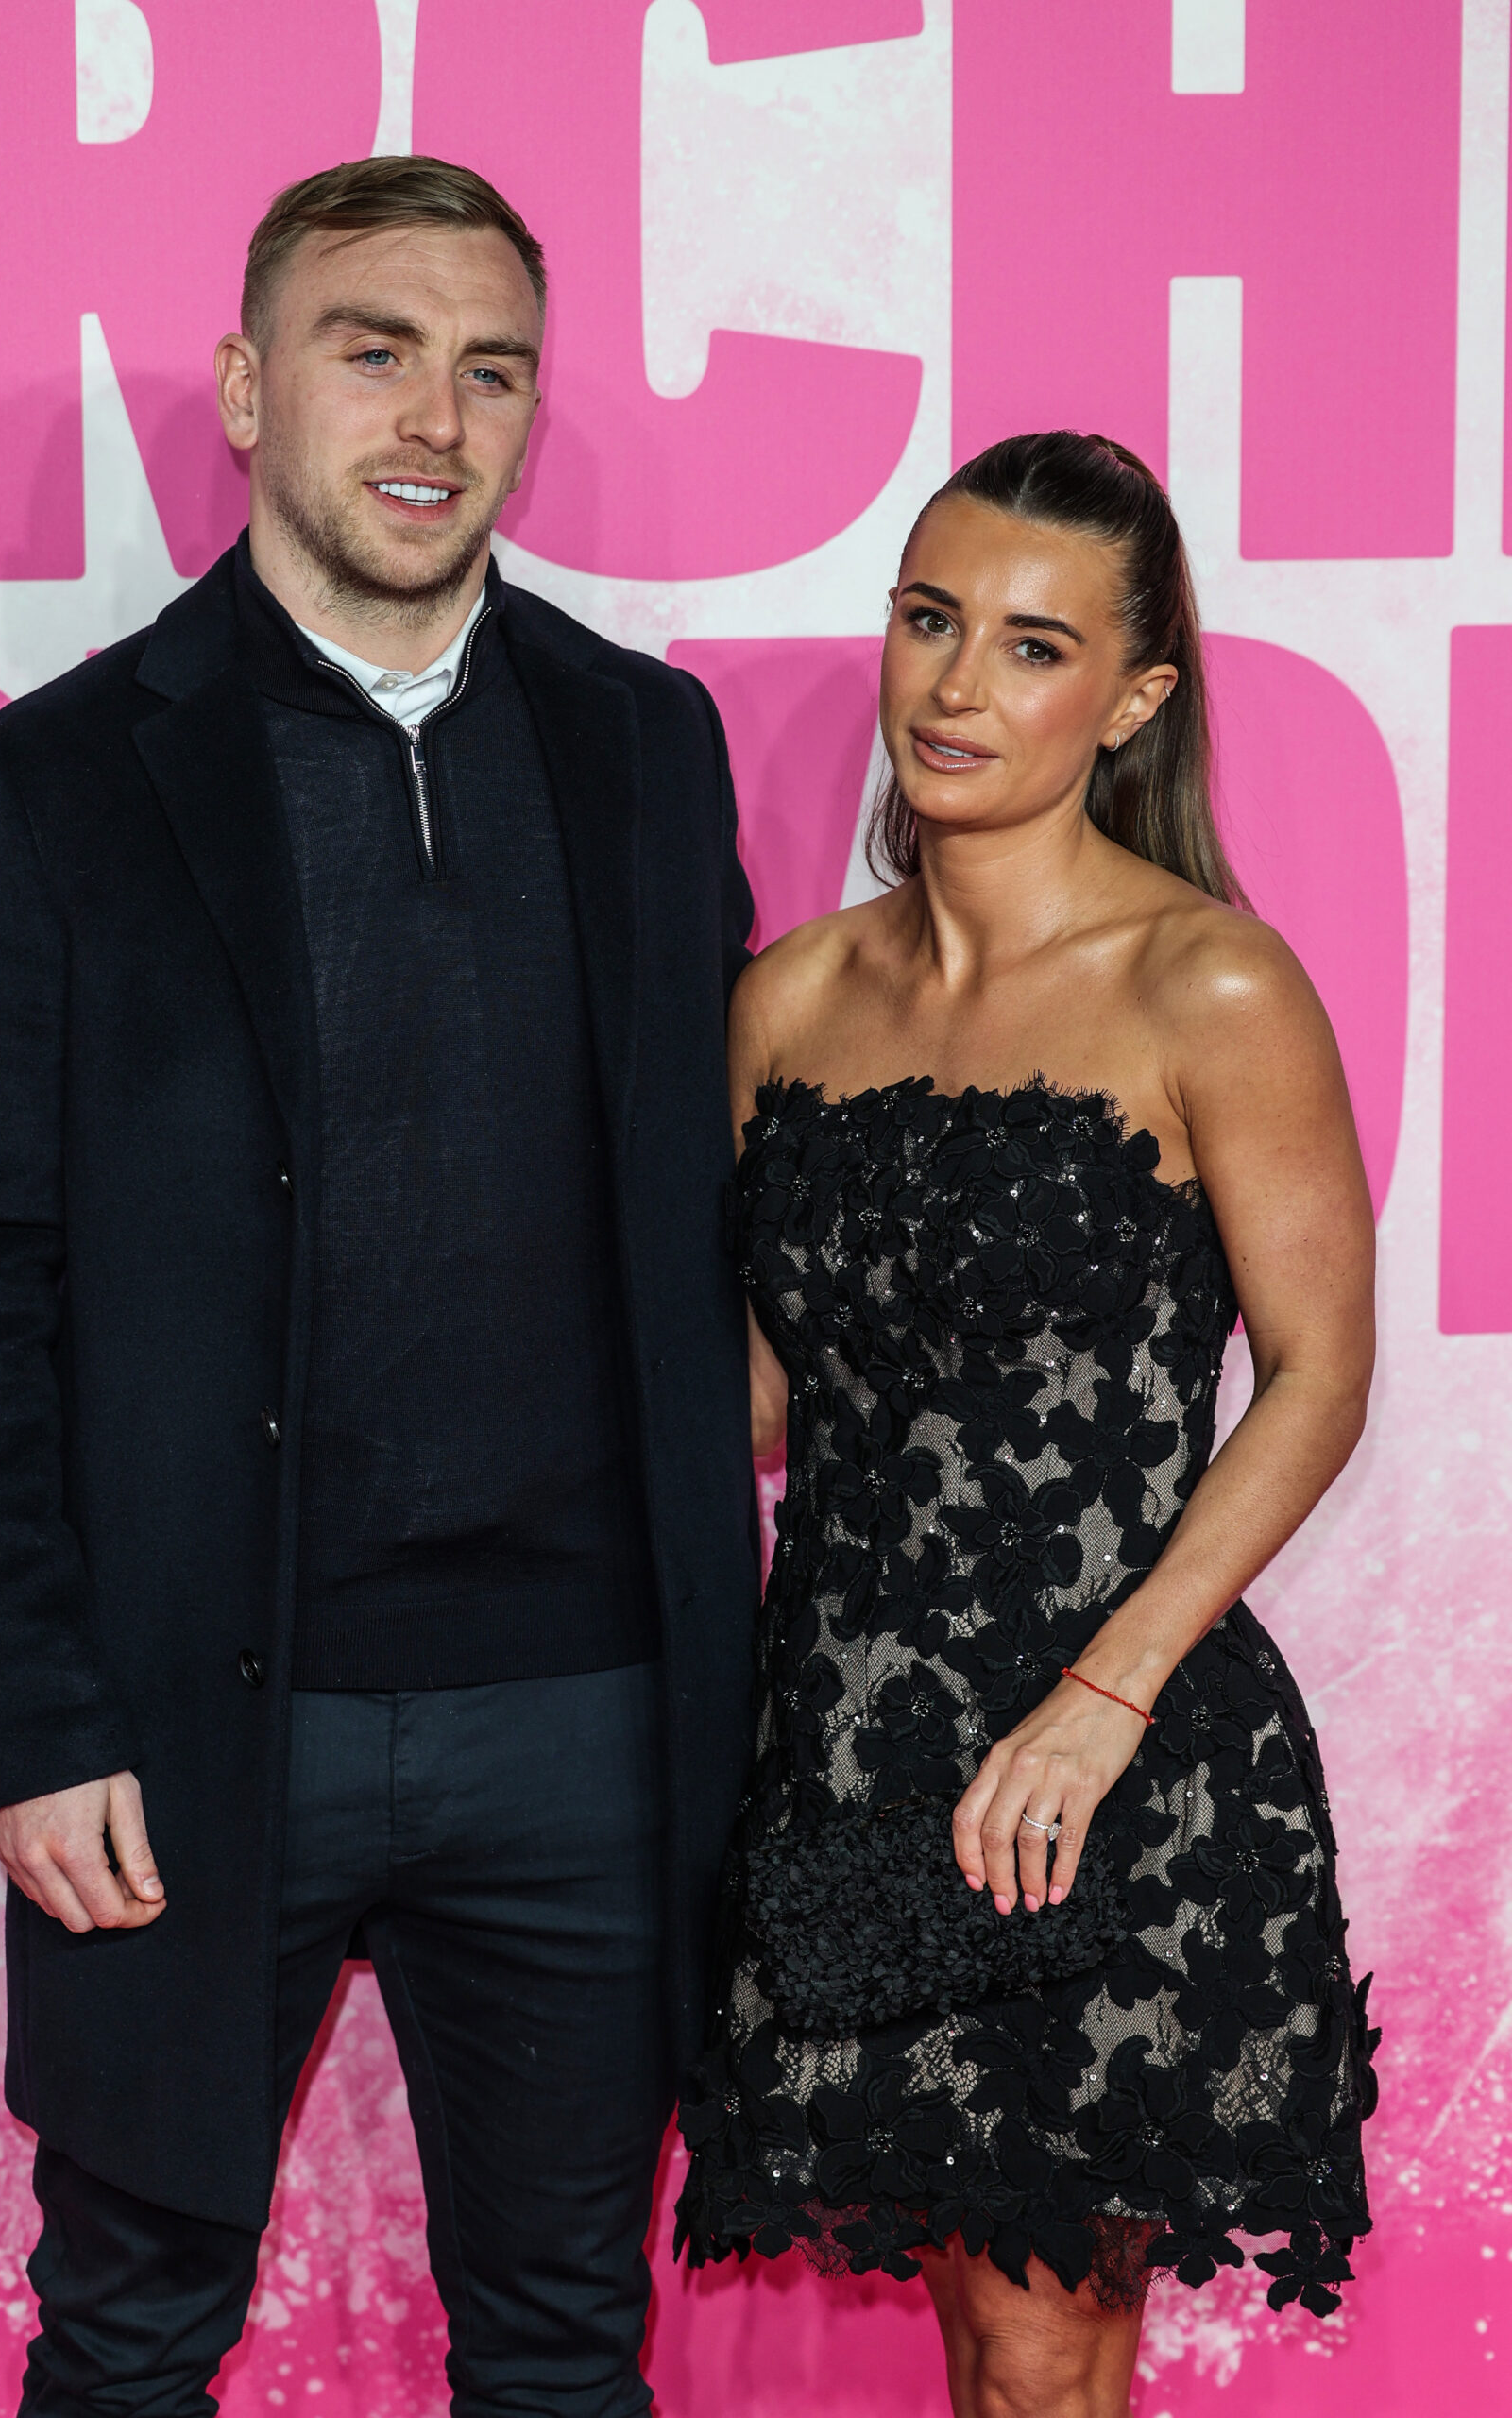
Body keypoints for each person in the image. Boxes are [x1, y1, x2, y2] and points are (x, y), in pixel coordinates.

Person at [0, 155, 759, 2418]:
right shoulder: (53, 786)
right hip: (182, 1718)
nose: (433, 417)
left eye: (490, 367)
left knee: (566, 2341)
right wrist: (35, 1718)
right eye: (375, 350)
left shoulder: (647, 750)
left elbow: (732, 1193)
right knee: (134, 2336)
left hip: (587, 1711)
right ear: (257, 387)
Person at [675, 432, 1378, 2418]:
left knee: (1052, 2345)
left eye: (1033, 644)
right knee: (978, 2325)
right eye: (929, 618)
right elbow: (751, 1399)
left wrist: (1104, 1691)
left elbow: (1321, 1372)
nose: (957, 685)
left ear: (1134, 698)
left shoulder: (1207, 978)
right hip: (850, 1751)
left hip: (1105, 1758)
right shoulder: (788, 1001)